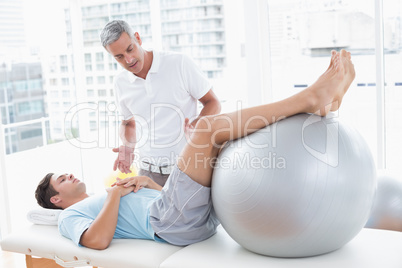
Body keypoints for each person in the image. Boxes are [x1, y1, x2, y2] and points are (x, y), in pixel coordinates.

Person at [35, 50, 355, 250]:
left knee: (226, 138)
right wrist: (116, 195)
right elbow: (97, 241)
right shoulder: (70, 217)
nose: (70, 174)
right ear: (56, 200)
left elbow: (151, 204)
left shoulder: (97, 200)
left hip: (181, 214)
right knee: (207, 130)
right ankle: (310, 100)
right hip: (170, 224)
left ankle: (318, 103)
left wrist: (147, 184)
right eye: (62, 179)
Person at [100, 20, 221, 186]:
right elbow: (128, 123)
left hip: (189, 167)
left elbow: (212, 102)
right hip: (148, 172)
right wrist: (128, 146)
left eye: (130, 49)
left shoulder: (179, 63)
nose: (128, 60)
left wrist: (198, 126)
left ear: (138, 38)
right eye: (119, 57)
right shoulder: (120, 82)